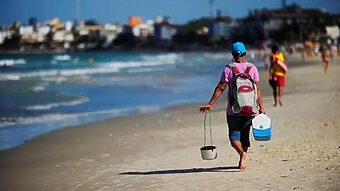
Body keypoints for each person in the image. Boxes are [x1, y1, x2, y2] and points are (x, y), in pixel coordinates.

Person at [199, 42, 266, 170]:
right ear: (245, 53)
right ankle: (244, 156)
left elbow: (220, 88)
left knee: (233, 137)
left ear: (232, 54)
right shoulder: (252, 68)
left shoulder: (228, 69)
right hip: (251, 109)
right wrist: (261, 107)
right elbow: (257, 90)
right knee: (244, 136)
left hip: (233, 110)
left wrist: (210, 104)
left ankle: (242, 155)